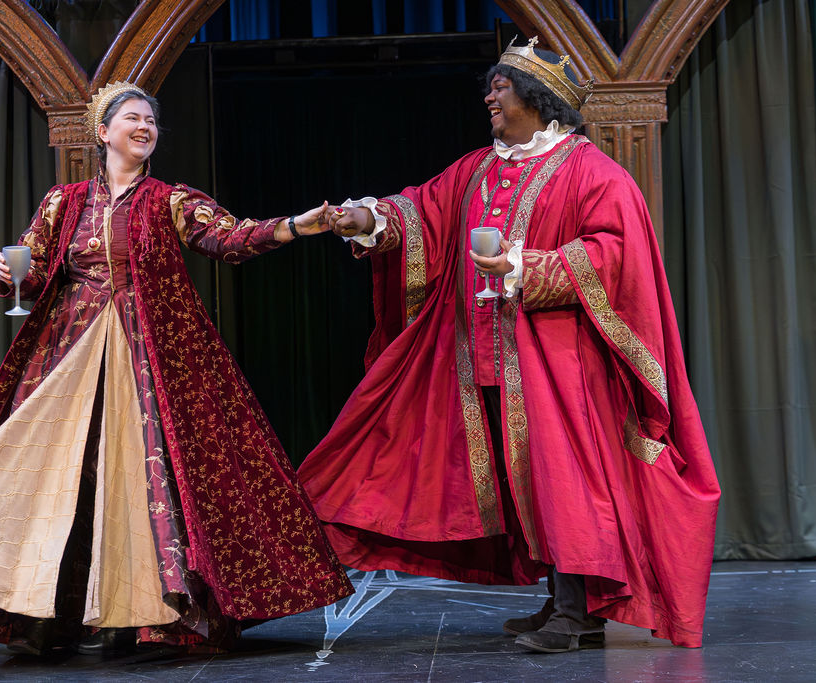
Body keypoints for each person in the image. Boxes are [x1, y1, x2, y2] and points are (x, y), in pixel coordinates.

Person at [0, 81, 352, 656]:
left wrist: (293, 226)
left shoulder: (170, 200)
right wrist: (12, 274)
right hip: (71, 348)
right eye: (133, 118)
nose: (144, 127)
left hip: (148, 349)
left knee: (145, 470)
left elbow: (227, 238)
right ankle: (51, 615)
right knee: (62, 470)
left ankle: (147, 612)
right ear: (103, 132)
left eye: (151, 121)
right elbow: (34, 272)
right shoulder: (64, 202)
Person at [298, 37, 721, 653]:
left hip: (560, 363)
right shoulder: (478, 168)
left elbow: (612, 253)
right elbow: (421, 213)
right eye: (490, 88)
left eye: (501, 87)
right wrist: (363, 219)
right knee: (522, 479)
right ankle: (564, 600)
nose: (490, 97)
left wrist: (526, 266)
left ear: (537, 97)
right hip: (481, 358)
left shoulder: (592, 171)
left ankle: (578, 614)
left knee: (562, 481)